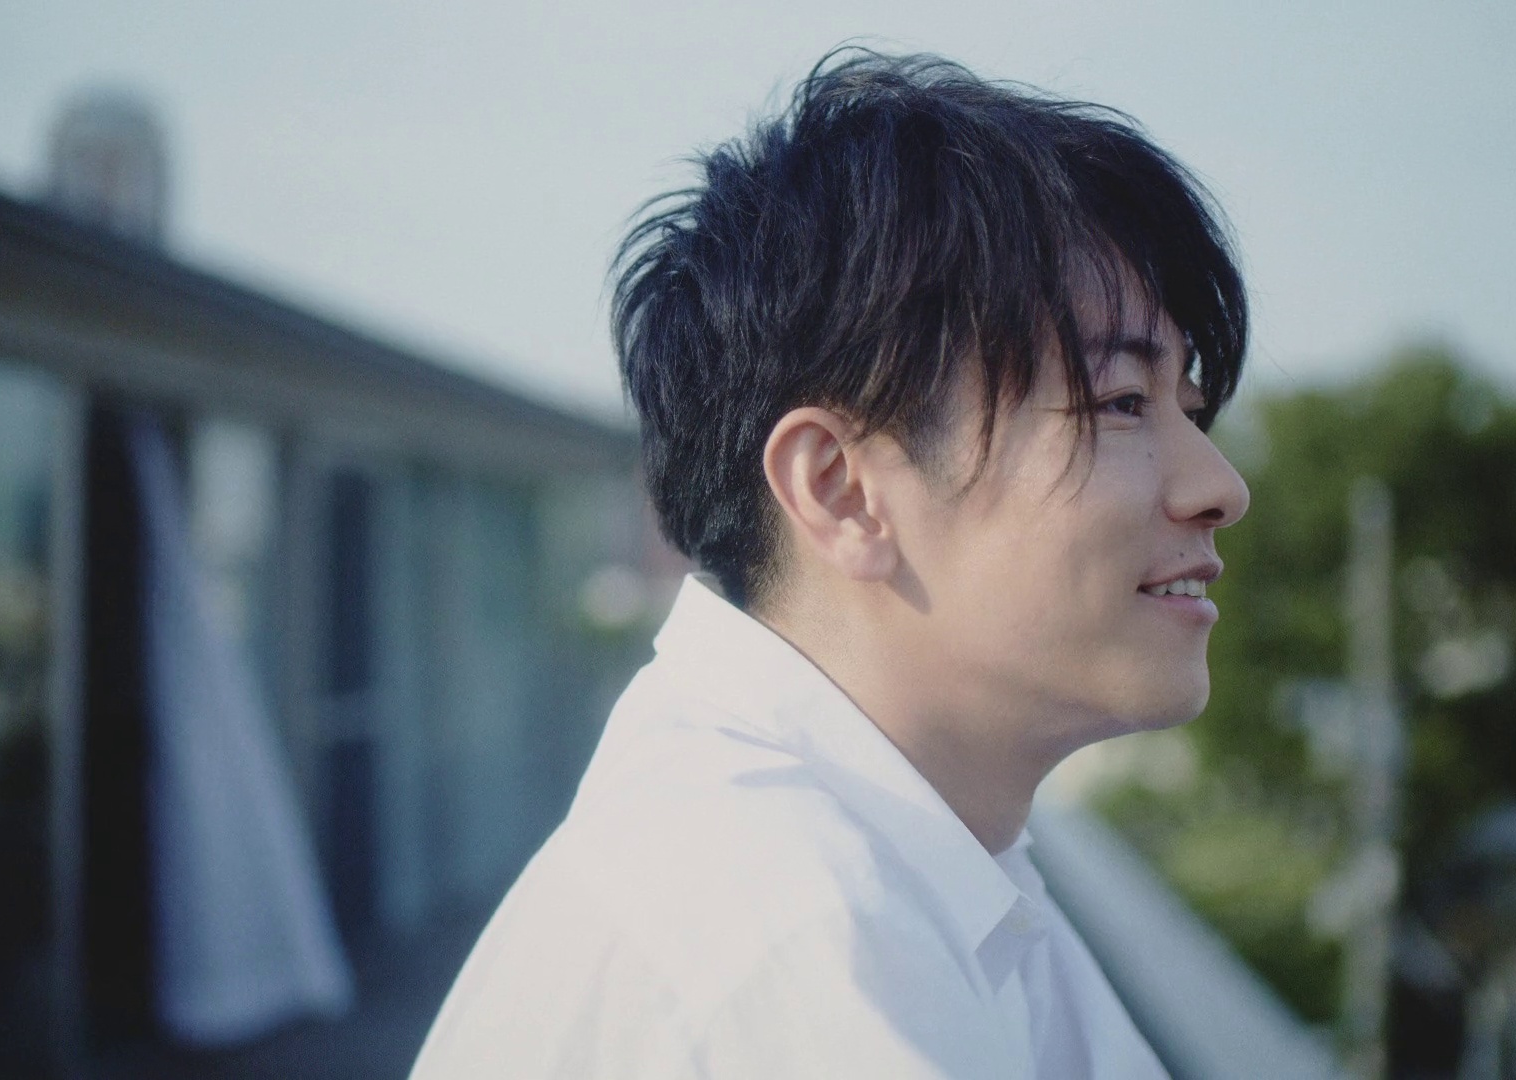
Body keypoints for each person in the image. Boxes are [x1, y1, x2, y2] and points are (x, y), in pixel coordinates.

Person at [409, 47, 1250, 1079]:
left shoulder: (921, 863)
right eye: (1122, 403)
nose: (1219, 486)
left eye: (1189, 412)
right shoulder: (792, 948)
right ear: (841, 489)